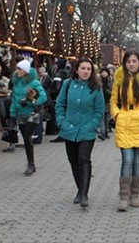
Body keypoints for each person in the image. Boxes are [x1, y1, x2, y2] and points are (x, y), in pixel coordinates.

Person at [110, 51, 139, 212]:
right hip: (124, 122)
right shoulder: (119, 78)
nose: (131, 64)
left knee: (137, 161)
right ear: (124, 63)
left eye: (134, 61)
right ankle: (123, 196)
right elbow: (113, 102)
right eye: (128, 61)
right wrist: (117, 115)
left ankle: (135, 195)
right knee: (127, 160)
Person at [55, 58, 105, 207]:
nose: (86, 72)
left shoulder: (96, 88)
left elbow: (99, 110)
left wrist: (92, 125)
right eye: (83, 68)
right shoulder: (67, 84)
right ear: (76, 70)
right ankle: (80, 189)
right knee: (73, 161)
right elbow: (60, 104)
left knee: (83, 159)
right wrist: (61, 122)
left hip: (86, 130)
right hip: (69, 129)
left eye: (89, 69)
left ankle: (84, 194)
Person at [10, 59, 47, 175]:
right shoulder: (16, 82)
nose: (17, 71)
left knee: (27, 136)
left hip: (32, 113)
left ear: (25, 70)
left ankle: (31, 164)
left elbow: (43, 97)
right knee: (26, 139)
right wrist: (11, 115)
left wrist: (30, 103)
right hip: (21, 114)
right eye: (17, 68)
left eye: (20, 69)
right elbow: (13, 99)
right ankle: (31, 163)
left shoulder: (34, 82)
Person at [33, 67, 53, 144]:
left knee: (38, 120)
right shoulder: (37, 82)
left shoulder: (35, 84)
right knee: (38, 120)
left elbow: (42, 97)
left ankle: (38, 137)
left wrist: (35, 102)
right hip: (44, 102)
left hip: (40, 103)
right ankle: (38, 136)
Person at [98, 67, 112, 140]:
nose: (104, 74)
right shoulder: (98, 81)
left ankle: (106, 131)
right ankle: (102, 132)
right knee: (101, 118)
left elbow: (113, 92)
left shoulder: (110, 81)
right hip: (100, 102)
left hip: (108, 102)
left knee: (107, 119)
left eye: (105, 72)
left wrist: (108, 91)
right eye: (103, 72)